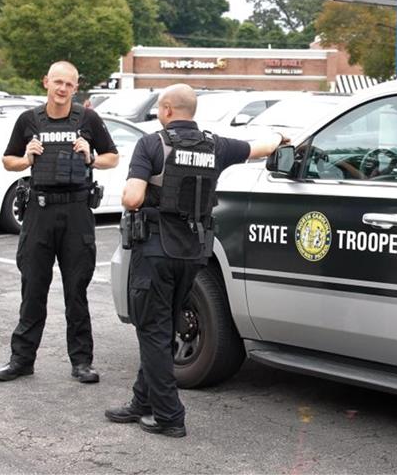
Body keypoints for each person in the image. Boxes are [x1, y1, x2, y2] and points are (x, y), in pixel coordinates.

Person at [105, 84, 287, 437]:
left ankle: (169, 416)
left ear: (168, 109)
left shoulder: (152, 144)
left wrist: (136, 194)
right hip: (194, 254)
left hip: (156, 252)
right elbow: (259, 148)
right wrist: (281, 137)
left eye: (160, 107)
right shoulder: (215, 144)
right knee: (163, 327)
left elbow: (132, 197)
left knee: (152, 332)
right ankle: (141, 402)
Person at [0, 61, 119, 384]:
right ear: (46, 82)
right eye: (57, 82)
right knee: (32, 287)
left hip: (77, 212)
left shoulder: (88, 119)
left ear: (76, 88)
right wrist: (26, 158)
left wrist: (91, 155)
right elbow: (8, 160)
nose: (62, 89)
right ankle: (22, 359)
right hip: (39, 211)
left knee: (76, 290)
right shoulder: (28, 120)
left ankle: (81, 362)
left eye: (69, 84)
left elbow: (112, 157)